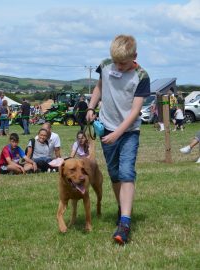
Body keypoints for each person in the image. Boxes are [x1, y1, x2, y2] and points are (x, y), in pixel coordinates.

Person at [86, 35, 150, 245]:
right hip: (106, 127)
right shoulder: (105, 65)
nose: (119, 67)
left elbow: (135, 111)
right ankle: (122, 209)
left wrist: (118, 133)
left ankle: (125, 222)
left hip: (129, 131)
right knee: (114, 174)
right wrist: (91, 107)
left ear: (135, 57)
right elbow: (99, 88)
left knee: (126, 172)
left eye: (123, 63)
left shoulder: (141, 76)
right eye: (116, 62)